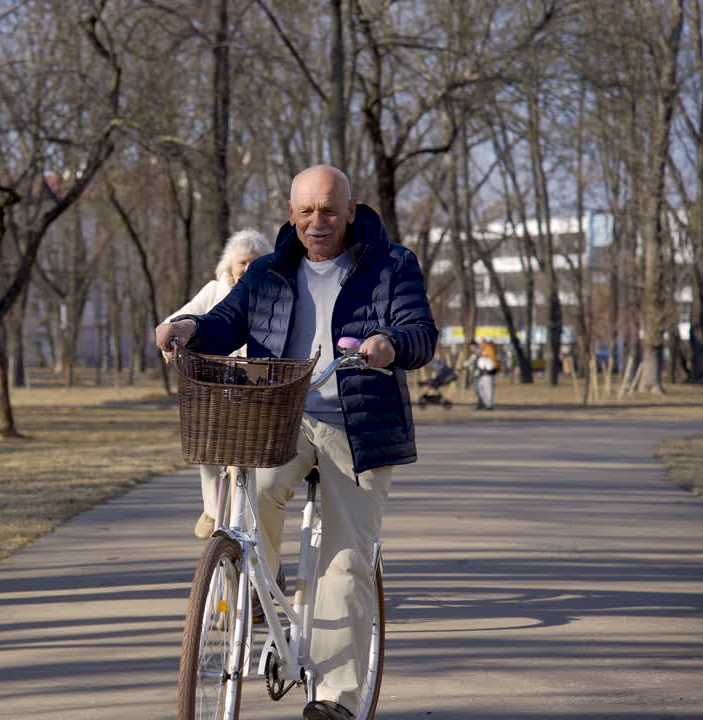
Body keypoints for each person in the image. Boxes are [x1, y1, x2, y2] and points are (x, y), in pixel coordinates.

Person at [156, 165, 437, 720]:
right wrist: (187, 329)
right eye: (306, 211)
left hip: (357, 424)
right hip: (279, 416)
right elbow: (225, 322)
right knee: (249, 501)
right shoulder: (269, 270)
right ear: (290, 214)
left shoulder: (390, 265)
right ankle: (261, 579)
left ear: (350, 212)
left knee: (345, 561)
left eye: (329, 211)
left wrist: (390, 343)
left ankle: (334, 699)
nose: (317, 223)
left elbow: (421, 332)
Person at [167, 228, 274, 540]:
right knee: (210, 449)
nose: (248, 268)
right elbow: (182, 317)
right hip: (216, 382)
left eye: (255, 261)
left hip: (256, 384)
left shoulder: (271, 292)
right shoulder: (214, 290)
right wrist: (172, 333)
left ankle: (255, 541)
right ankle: (213, 509)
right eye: (242, 262)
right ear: (229, 264)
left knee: (248, 462)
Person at [470, 340, 498, 409]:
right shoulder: (481, 351)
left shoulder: (488, 350)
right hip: (482, 374)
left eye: (481, 344)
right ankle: (486, 404)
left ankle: (490, 406)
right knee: (480, 389)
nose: (480, 345)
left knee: (488, 390)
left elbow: (481, 355)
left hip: (488, 373)